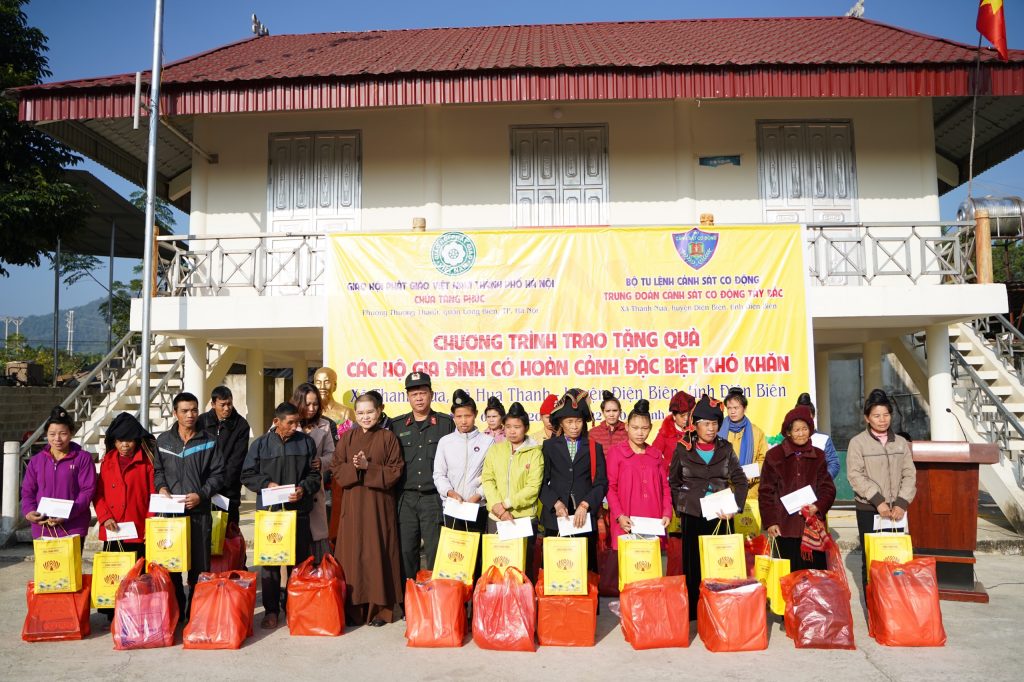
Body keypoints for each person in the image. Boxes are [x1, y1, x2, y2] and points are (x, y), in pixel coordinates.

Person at [242, 402, 320, 629]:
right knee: (271, 564)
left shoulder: (306, 443)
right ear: (277, 422)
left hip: (299, 512)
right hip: (270, 514)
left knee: (299, 562)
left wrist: (303, 488)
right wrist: (267, 484)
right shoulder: (260, 446)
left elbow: (315, 476)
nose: (295, 427)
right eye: (290, 423)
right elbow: (246, 475)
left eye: (297, 422)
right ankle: (271, 610)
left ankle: (296, 608)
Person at [669, 395, 748, 618]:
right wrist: (681, 508)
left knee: (720, 564)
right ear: (696, 425)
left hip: (720, 515)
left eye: (715, 424)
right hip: (692, 514)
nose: (711, 429)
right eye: (706, 424)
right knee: (693, 564)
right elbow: (674, 482)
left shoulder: (725, 448)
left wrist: (735, 506)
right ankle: (694, 611)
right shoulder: (683, 448)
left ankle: (720, 608)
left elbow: (740, 481)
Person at [332, 392, 404, 625]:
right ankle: (354, 609)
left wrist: (368, 466)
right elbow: (336, 468)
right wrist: (355, 470)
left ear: (380, 411)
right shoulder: (347, 438)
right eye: (360, 413)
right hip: (353, 505)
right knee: (352, 554)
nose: (365, 417)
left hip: (378, 505)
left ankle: (380, 609)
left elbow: (395, 471)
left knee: (378, 552)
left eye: (370, 412)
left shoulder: (388, 438)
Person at [154, 392, 225, 620]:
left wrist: (202, 495)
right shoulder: (163, 441)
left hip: (199, 513)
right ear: (175, 413)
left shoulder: (209, 441)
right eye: (184, 411)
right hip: (171, 516)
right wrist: (162, 487)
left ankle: (195, 614)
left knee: (199, 567)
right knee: (171, 567)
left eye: (194, 410)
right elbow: (158, 471)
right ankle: (176, 611)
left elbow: (218, 475)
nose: (190, 415)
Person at [846, 388, 916, 586]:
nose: (882, 419)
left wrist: (902, 503)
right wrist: (879, 502)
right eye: (877, 415)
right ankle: (874, 610)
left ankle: (894, 607)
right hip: (870, 510)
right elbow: (855, 475)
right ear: (867, 418)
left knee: (897, 560)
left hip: (897, 511)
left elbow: (909, 474)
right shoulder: (858, 443)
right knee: (872, 560)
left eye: (886, 415)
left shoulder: (901, 443)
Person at [389, 372, 455, 581]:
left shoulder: (445, 424)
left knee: (436, 554)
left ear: (431, 395)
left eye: (423, 393)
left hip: (433, 499)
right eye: (414, 394)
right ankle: (410, 603)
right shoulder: (397, 425)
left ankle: (435, 602)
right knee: (406, 552)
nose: (419, 398)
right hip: (406, 499)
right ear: (408, 397)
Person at [94, 412, 156, 619]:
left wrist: (150, 523)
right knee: (113, 573)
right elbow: (98, 493)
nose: (125, 445)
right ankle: (113, 614)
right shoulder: (106, 462)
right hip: (113, 528)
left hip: (137, 527)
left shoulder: (146, 463)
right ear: (114, 441)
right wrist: (104, 517)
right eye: (120, 441)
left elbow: (153, 495)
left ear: (136, 440)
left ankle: (136, 611)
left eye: (129, 440)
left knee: (137, 574)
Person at [759, 406, 837, 571]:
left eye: (804, 429)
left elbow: (828, 488)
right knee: (787, 579)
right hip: (784, 528)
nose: (801, 433)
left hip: (812, 529)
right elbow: (766, 491)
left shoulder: (819, 455)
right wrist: (770, 521)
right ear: (788, 432)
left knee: (814, 581)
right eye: (796, 430)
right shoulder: (775, 456)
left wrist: (817, 506)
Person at [540, 389, 608, 572]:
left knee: (583, 567)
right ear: (561, 422)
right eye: (569, 421)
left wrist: (585, 504)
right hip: (556, 518)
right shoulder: (549, 446)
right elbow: (541, 482)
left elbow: (601, 482)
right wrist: (555, 503)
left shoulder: (594, 447)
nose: (574, 426)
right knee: (557, 567)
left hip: (583, 518)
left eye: (578, 421)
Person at [480, 402, 544, 580]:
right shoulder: (495, 449)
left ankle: (524, 606)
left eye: (517, 427)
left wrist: (507, 504)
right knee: (498, 566)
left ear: (526, 428)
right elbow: (488, 479)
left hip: (523, 518)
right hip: (496, 517)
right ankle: (499, 606)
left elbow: (533, 487)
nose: (512, 431)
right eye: (508, 427)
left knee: (523, 569)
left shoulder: (535, 452)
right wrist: (497, 508)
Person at [21, 406, 96, 549]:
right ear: (46, 435)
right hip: (43, 527)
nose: (57, 439)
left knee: (69, 570)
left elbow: (87, 491)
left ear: (71, 433)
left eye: (63, 433)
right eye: (52, 434)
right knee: (48, 569)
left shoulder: (82, 458)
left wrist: (68, 513)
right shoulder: (36, 461)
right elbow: (27, 491)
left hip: (73, 526)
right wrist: (29, 511)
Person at [605, 399, 672, 550]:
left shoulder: (655, 455)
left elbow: (665, 488)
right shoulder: (616, 452)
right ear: (627, 427)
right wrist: (619, 515)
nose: (640, 433)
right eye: (635, 428)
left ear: (650, 428)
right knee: (629, 568)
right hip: (626, 523)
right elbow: (610, 487)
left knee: (653, 569)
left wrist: (667, 513)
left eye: (644, 428)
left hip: (654, 522)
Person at [434, 389, 493, 533]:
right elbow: (439, 474)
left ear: (476, 415)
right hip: (452, 507)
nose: (463, 421)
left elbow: (491, 476)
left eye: (468, 415)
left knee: (476, 551)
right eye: (459, 416)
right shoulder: (445, 442)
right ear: (453, 417)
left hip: (477, 506)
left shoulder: (488, 442)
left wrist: (478, 495)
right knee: (455, 552)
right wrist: (449, 492)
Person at [290, 382, 336, 563]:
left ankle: (317, 585)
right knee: (293, 542)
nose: (311, 408)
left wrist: (321, 462)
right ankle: (291, 586)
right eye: (307, 404)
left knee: (316, 538)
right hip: (291, 489)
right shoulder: (286, 423)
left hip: (315, 489)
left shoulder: (324, 425)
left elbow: (332, 454)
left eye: (315, 404)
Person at [196, 385, 252, 527]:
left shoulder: (241, 425)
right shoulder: (201, 422)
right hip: (201, 491)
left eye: (229, 404)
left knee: (228, 538)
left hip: (227, 492)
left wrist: (216, 486)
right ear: (213, 404)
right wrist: (205, 487)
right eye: (223, 405)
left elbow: (236, 462)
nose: (227, 408)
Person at [723, 387, 769, 498]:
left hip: (750, 489)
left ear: (744, 408)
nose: (732, 411)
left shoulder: (756, 432)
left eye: (736, 408)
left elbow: (764, 460)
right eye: (729, 408)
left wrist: (751, 475)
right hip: (725, 489)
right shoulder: (719, 431)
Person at [795, 392, 840, 479]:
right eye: (800, 416)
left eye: (807, 416)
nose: (804, 420)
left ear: (813, 416)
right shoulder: (789, 440)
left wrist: (822, 480)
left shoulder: (823, 439)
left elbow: (834, 464)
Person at [651, 389, 696, 470]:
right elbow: (652, 456)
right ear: (674, 416)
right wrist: (669, 465)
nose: (686, 418)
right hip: (673, 479)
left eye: (689, 415)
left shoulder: (698, 431)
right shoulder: (666, 433)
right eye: (682, 415)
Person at [313, 366, 356, 434]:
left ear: (335, 385)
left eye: (327, 382)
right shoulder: (310, 411)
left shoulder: (346, 412)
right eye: (318, 382)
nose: (322, 387)